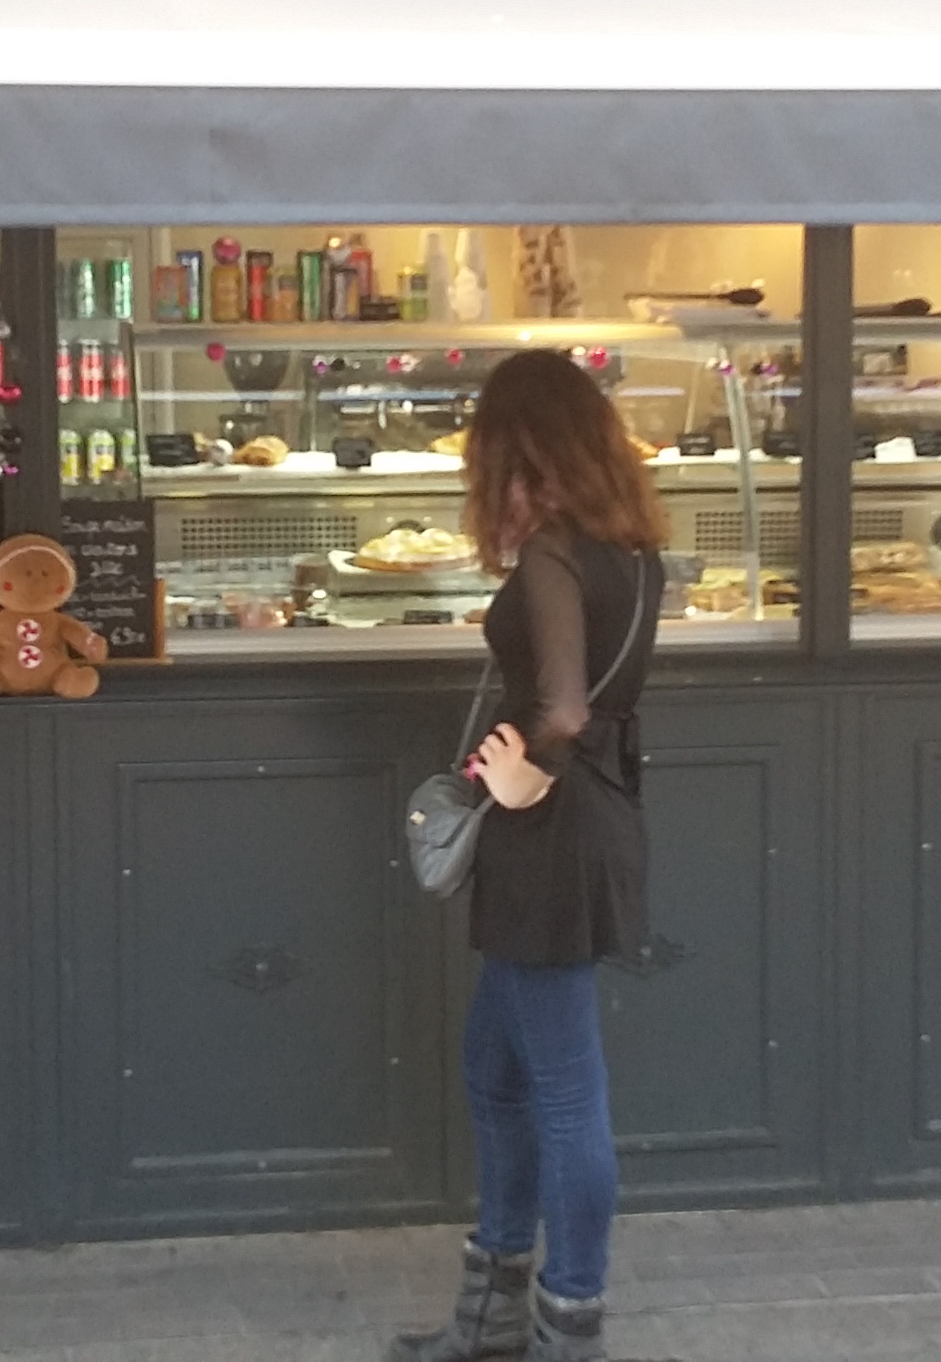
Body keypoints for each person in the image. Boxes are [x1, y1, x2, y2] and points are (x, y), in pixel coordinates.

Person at [388, 351, 664, 1362]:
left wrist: (523, 774)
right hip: (597, 821)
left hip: (549, 833)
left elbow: (564, 709)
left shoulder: (552, 552)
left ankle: (567, 1322)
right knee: (495, 1068)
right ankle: (495, 1312)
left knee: (562, 1089)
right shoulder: (633, 548)